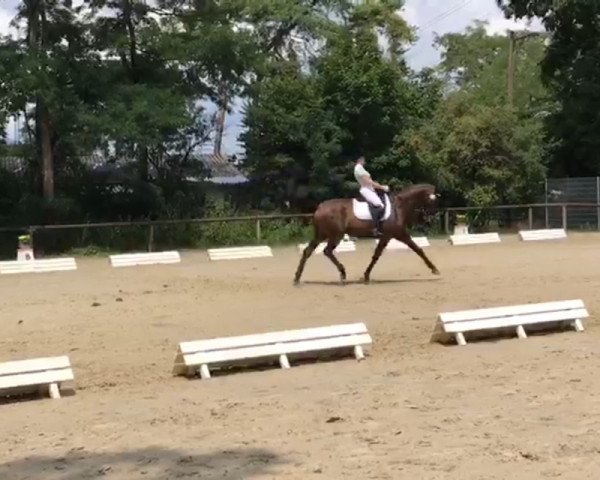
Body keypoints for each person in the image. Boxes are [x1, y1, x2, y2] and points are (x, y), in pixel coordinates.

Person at [353, 156, 389, 237]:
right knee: (379, 205)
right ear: (360, 160)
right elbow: (369, 182)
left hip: (369, 189)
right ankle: (375, 228)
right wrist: (382, 187)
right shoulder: (358, 168)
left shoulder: (360, 168)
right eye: (364, 161)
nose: (365, 162)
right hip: (366, 190)